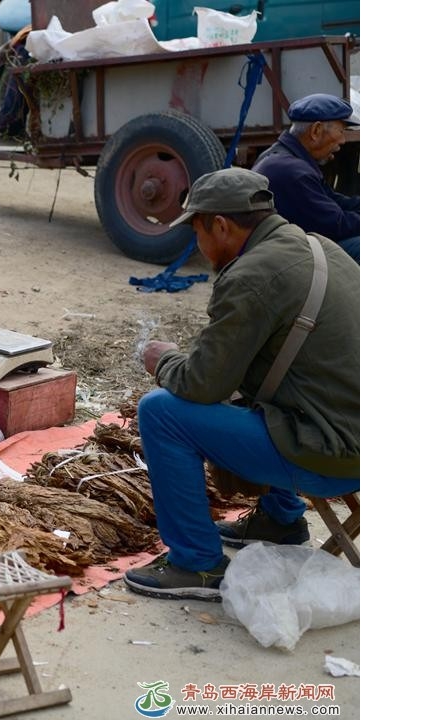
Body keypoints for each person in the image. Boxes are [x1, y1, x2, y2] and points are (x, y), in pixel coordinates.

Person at [122, 168, 360, 601]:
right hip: (355, 432)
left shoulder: (251, 276)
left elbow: (201, 385)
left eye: (196, 230)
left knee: (160, 412)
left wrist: (165, 361)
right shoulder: (319, 246)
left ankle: (196, 564)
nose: (196, 244)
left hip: (335, 453)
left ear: (220, 226)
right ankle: (280, 519)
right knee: (264, 380)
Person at [251, 94, 360, 262]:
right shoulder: (292, 171)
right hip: (285, 260)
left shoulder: (286, 157)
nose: (343, 140)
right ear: (316, 131)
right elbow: (336, 226)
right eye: (341, 131)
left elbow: (334, 200)